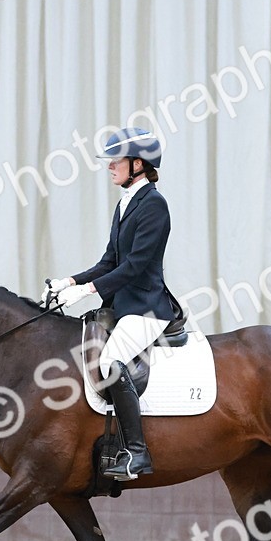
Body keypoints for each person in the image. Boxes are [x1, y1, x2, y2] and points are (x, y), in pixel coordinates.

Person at [42, 127, 181, 481]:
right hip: (123, 306)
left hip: (146, 307)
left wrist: (87, 290)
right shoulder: (125, 204)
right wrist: (69, 282)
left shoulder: (154, 205)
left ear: (138, 164)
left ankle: (137, 453)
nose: (109, 166)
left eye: (116, 160)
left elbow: (135, 266)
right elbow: (109, 261)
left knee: (110, 362)